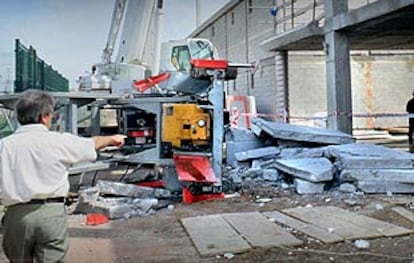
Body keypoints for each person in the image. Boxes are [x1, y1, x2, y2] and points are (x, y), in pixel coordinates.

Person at [0, 89, 126, 262]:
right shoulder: (58, 141)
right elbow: (92, 143)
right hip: (51, 213)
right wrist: (113, 139)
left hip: (16, 215)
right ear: (44, 116)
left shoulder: (4, 145)